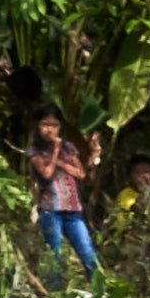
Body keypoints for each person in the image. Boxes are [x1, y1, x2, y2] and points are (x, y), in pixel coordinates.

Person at [25, 114, 106, 280]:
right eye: (45, 124)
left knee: (87, 250)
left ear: (60, 127)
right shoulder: (35, 150)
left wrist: (60, 163)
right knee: (55, 254)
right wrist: (55, 151)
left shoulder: (68, 148)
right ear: (38, 127)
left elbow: (81, 173)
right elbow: (47, 174)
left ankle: (100, 290)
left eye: (54, 125)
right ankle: (56, 295)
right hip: (51, 210)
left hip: (72, 209)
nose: (49, 129)